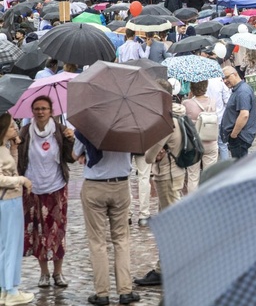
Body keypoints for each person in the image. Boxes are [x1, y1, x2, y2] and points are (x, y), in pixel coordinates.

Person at [73, 131, 140, 305]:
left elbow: (74, 154)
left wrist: (83, 153)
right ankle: (125, 290)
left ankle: (102, 293)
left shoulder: (88, 125)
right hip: (121, 185)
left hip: (95, 185)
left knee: (97, 242)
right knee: (121, 240)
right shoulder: (129, 125)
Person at [16, 96, 75, 289]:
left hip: (56, 187)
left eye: (44, 108)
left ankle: (58, 273)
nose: (40, 112)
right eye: (37, 109)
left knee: (57, 231)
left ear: (51, 111)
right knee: (38, 232)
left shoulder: (59, 130)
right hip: (33, 189)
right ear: (32, 111)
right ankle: (44, 274)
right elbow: (19, 159)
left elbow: (70, 158)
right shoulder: (25, 132)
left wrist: (70, 140)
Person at [133, 80, 186, 289]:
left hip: (167, 175)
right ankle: (165, 266)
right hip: (175, 172)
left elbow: (148, 156)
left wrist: (152, 148)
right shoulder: (178, 112)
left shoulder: (165, 120)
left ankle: (167, 268)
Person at [0, 113, 35, 306]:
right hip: (7, 201)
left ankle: (6, 288)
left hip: (11, 200)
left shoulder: (3, 148)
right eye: (12, 126)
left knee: (7, 246)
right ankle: (11, 289)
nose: (15, 128)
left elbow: (10, 168)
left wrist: (14, 149)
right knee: (11, 246)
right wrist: (21, 180)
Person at [182, 80, 218, 191]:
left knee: (193, 176)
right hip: (211, 141)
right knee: (210, 176)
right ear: (206, 87)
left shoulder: (186, 103)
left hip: (194, 143)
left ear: (191, 88)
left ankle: (194, 203)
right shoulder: (212, 101)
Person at [219, 67, 256, 159]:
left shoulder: (242, 91)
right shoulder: (239, 89)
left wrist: (234, 134)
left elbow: (244, 115)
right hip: (239, 136)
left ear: (235, 74)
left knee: (240, 168)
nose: (225, 81)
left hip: (240, 137)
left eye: (227, 77)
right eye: (223, 78)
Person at [239, 49, 256, 116]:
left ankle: (252, 112)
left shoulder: (246, 58)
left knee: (251, 94)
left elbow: (241, 68)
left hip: (249, 78)